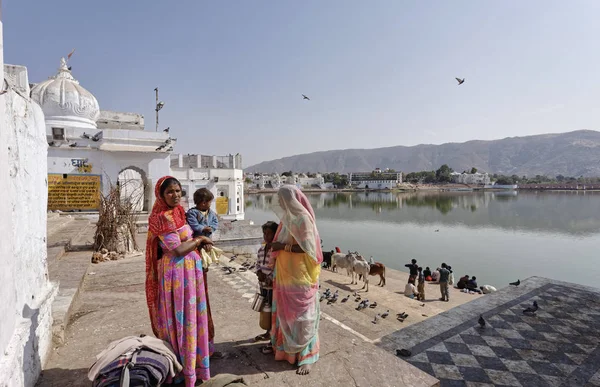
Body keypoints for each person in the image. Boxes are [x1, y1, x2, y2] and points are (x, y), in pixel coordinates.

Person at [145, 176, 213, 387]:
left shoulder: (179, 212)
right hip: (176, 275)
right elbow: (177, 250)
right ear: (161, 195)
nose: (175, 195)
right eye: (170, 192)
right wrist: (200, 240)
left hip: (191, 273)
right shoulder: (161, 218)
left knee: (193, 318)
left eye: (178, 191)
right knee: (181, 319)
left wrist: (199, 247)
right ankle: (183, 369)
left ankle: (197, 366)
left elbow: (187, 240)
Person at [264, 185, 322, 375]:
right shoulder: (287, 218)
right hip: (284, 274)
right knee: (285, 313)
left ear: (290, 199)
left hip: (300, 275)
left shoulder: (303, 219)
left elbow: (308, 249)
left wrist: (283, 247)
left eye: (281, 199)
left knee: (303, 314)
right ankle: (284, 350)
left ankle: (307, 356)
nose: (279, 202)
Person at [186, 188, 223, 359]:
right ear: (201, 202)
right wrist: (203, 232)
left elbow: (215, 223)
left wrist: (209, 232)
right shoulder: (192, 213)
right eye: (207, 202)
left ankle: (207, 343)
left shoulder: (211, 213)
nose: (208, 205)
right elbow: (194, 227)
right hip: (196, 244)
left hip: (205, 241)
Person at [254, 221, 279, 341]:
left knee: (273, 311)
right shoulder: (261, 250)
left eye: (269, 234)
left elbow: (278, 268)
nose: (266, 236)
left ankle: (272, 333)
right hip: (263, 286)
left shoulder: (276, 252)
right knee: (265, 310)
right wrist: (259, 273)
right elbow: (258, 264)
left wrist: (270, 278)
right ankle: (268, 331)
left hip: (273, 287)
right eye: (264, 233)